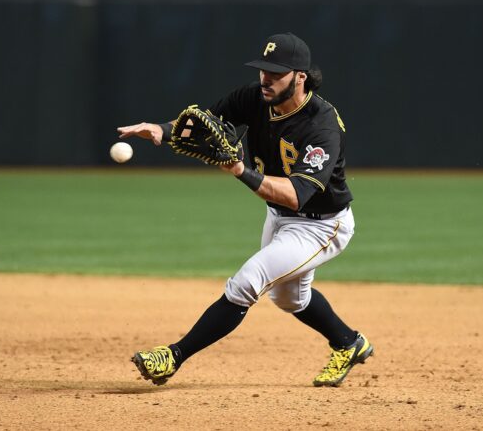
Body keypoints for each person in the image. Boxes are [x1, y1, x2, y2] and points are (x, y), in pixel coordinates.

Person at [117, 32, 373, 387]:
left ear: (300, 77)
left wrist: (239, 169)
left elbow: (296, 195)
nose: (265, 79)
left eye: (276, 72)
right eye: (263, 70)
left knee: (246, 283)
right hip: (278, 216)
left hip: (320, 224)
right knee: (288, 298)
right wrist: (159, 130)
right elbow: (204, 122)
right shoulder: (254, 98)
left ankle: (173, 357)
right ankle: (349, 343)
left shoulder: (322, 126)